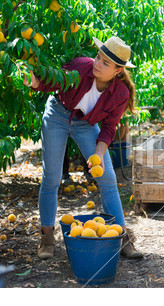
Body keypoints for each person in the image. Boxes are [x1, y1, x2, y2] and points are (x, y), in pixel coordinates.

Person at [24, 36, 143, 259]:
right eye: (99, 57)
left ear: (118, 71)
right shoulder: (81, 66)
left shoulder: (120, 94)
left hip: (85, 123)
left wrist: (98, 153)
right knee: (51, 177)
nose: (97, 63)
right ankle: (47, 237)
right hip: (57, 114)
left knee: (107, 177)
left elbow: (109, 127)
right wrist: (34, 82)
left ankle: (122, 236)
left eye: (105, 63)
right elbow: (51, 82)